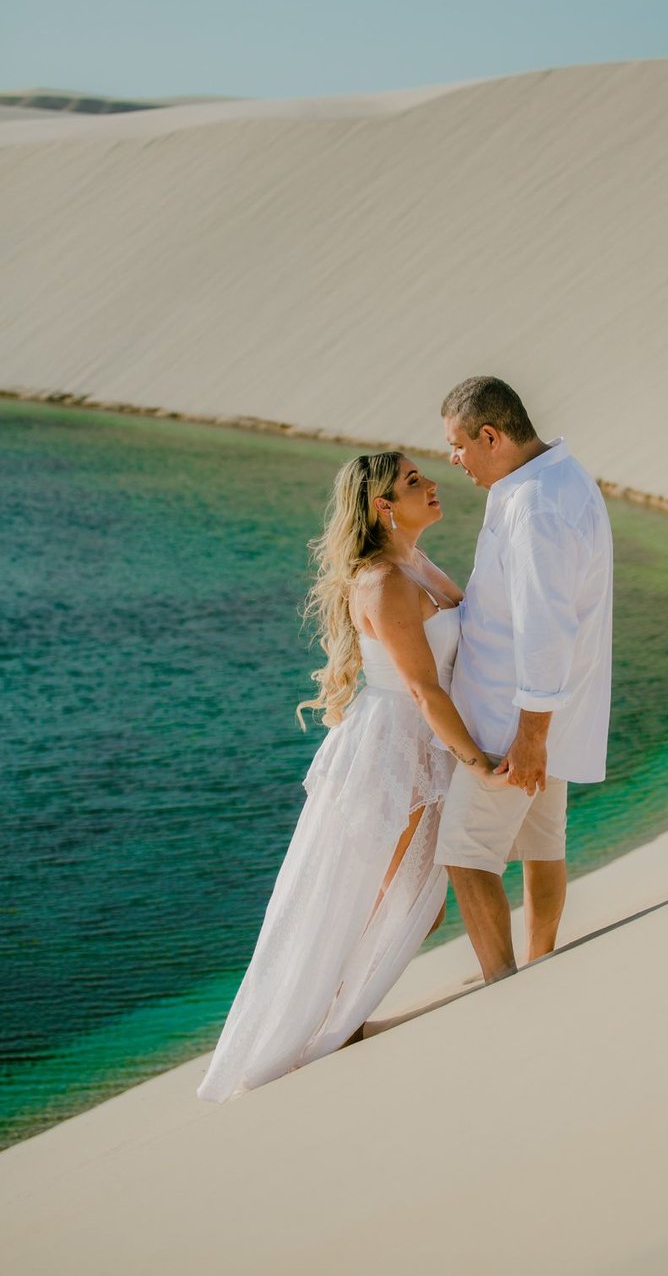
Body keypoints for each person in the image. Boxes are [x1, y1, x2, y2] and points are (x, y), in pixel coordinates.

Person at [197, 450, 495, 1103]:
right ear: (384, 505)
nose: (431, 485)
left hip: (425, 740)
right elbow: (420, 688)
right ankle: (327, 1027)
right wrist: (478, 759)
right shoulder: (385, 582)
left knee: (415, 893)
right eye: (414, 482)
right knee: (383, 893)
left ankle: (341, 1018)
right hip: (397, 748)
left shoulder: (414, 562)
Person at [435, 376, 614, 983]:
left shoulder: (536, 506)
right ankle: (542, 962)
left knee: (465, 853)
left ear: (492, 435)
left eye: (458, 445)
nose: (452, 459)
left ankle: (505, 984)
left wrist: (531, 735)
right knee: (543, 843)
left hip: (510, 721)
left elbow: (546, 625)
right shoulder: (544, 480)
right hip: (541, 712)